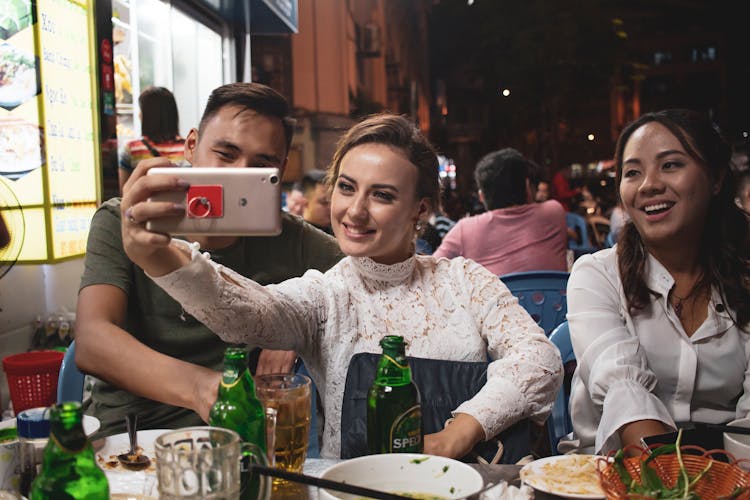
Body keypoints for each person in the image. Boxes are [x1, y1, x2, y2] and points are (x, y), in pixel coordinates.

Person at [119, 113, 563, 459]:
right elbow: (248, 313)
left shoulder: (465, 280)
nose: (355, 211)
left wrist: (457, 435)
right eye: (347, 188)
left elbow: (540, 360)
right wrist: (160, 255)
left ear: (420, 209)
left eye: (383, 195)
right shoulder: (327, 294)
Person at [75, 82, 343, 438]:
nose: (239, 174)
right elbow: (93, 340)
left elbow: (374, 278)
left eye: (261, 164)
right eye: (226, 154)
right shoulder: (125, 220)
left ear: (281, 167)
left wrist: (294, 333)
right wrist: (201, 387)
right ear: (191, 145)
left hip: (234, 439)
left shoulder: (292, 240)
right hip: (129, 433)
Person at [566, 109, 750, 455]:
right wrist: (671, 483)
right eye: (633, 172)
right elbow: (623, 391)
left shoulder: (744, 275)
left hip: (728, 470)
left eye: (670, 165)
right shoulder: (597, 275)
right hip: (615, 467)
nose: (649, 184)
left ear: (715, 179)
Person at [433, 148, 568, 276]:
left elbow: (430, 273)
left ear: (482, 197)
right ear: (527, 186)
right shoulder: (554, 212)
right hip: (555, 301)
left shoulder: (465, 230)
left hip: (492, 301)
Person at [118, 86, 186, 193]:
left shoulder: (131, 149)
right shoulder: (189, 148)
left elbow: (124, 192)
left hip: (142, 208)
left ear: (145, 115)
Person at [299, 169, 333, 233]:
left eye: (332, 202)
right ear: (305, 203)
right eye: (324, 203)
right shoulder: (297, 235)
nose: (330, 207)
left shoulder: (338, 233)